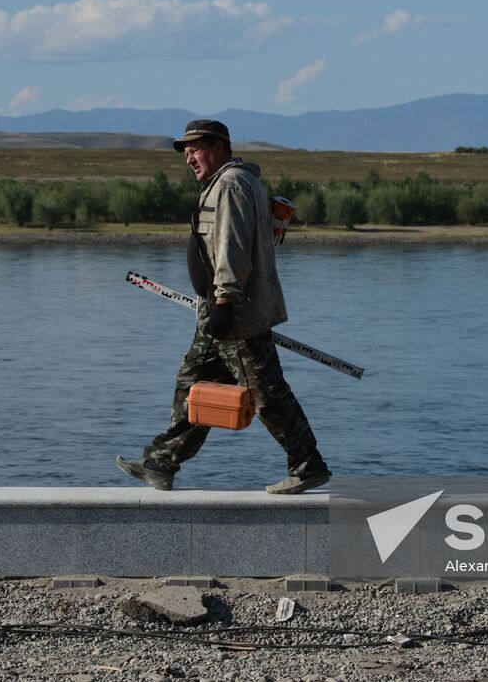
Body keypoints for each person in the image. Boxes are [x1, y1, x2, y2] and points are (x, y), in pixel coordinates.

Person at [117, 119, 331, 495]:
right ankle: (161, 462)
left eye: (194, 149)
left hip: (236, 315)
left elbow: (231, 247)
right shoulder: (228, 182)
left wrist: (225, 301)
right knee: (192, 385)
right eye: (185, 152)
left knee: (267, 395)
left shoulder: (231, 184)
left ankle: (307, 465)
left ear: (218, 147)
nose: (188, 159)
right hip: (216, 313)